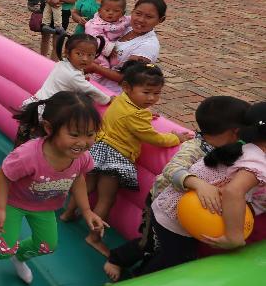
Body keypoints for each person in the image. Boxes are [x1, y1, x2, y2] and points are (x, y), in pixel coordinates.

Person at [103, 96, 250, 282]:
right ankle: (119, 262)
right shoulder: (195, 147)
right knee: (150, 244)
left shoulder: (238, 149)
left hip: (189, 216)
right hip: (160, 205)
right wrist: (198, 184)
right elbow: (172, 169)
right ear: (235, 131)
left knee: (170, 252)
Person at [0, 91, 106, 286]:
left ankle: (19, 257)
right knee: (5, 246)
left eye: (90, 134)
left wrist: (86, 210)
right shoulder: (28, 156)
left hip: (44, 206)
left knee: (47, 245)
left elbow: (78, 179)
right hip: (14, 203)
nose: (82, 142)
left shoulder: (81, 157)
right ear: (50, 128)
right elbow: (3, 175)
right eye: (74, 135)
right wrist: (0, 208)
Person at [73, 63, 193, 255]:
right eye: (147, 93)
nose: (152, 98)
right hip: (115, 157)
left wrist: (145, 112)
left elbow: (133, 115)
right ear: (127, 87)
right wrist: (176, 138)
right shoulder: (135, 115)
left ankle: (68, 213)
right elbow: (153, 137)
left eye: (157, 93)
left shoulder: (122, 100)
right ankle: (93, 237)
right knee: (106, 198)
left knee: (87, 186)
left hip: (98, 149)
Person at [15, 35, 112, 146]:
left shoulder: (62, 64)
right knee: (36, 146)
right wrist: (109, 99)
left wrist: (81, 78)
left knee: (23, 140)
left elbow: (71, 78)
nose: (85, 59)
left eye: (90, 55)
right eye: (79, 54)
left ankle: (14, 158)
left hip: (34, 106)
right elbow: (93, 92)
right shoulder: (73, 77)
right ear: (67, 52)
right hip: (44, 114)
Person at [86, 0, 166, 93]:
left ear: (160, 20)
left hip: (113, 95)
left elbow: (128, 77)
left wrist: (94, 67)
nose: (140, 20)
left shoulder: (147, 46)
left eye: (149, 17)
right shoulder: (125, 27)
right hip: (94, 87)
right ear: (132, 12)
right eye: (138, 13)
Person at [78, 0, 132, 70]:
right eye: (107, 10)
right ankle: (96, 79)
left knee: (116, 62)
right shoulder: (94, 24)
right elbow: (97, 37)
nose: (110, 13)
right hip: (97, 47)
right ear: (100, 11)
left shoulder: (123, 20)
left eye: (116, 11)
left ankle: (114, 70)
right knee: (103, 64)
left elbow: (132, 19)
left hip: (113, 46)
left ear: (123, 13)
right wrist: (108, 48)